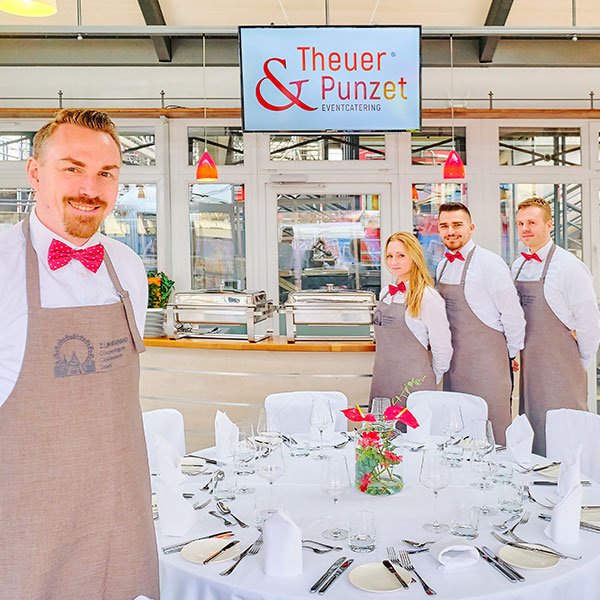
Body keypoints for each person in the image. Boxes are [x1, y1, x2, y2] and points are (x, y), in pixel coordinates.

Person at [0, 109, 159, 599]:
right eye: (72, 168)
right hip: (29, 532)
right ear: (34, 172)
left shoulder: (128, 267)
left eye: (106, 173)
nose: (90, 187)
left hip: (123, 519)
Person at [512, 197, 600, 455]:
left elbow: (589, 321)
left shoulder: (568, 266)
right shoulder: (518, 266)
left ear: (549, 224)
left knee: (566, 432)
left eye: (532, 222)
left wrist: (577, 362)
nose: (525, 228)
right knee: (534, 426)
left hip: (561, 365)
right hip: (529, 366)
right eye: (520, 223)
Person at [436, 202, 525, 444]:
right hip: (454, 367)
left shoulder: (489, 263)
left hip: (488, 367)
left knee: (491, 433)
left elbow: (513, 314)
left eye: (457, 225)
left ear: (471, 227)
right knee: (456, 434)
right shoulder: (443, 265)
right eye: (444, 226)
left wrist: (510, 354)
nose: (451, 231)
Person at [370, 232, 452, 408]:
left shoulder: (428, 297)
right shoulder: (385, 292)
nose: (393, 262)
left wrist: (427, 382)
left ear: (414, 256)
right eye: (389, 256)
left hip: (414, 387)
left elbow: (443, 349)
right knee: (382, 432)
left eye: (401, 256)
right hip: (382, 380)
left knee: (412, 434)